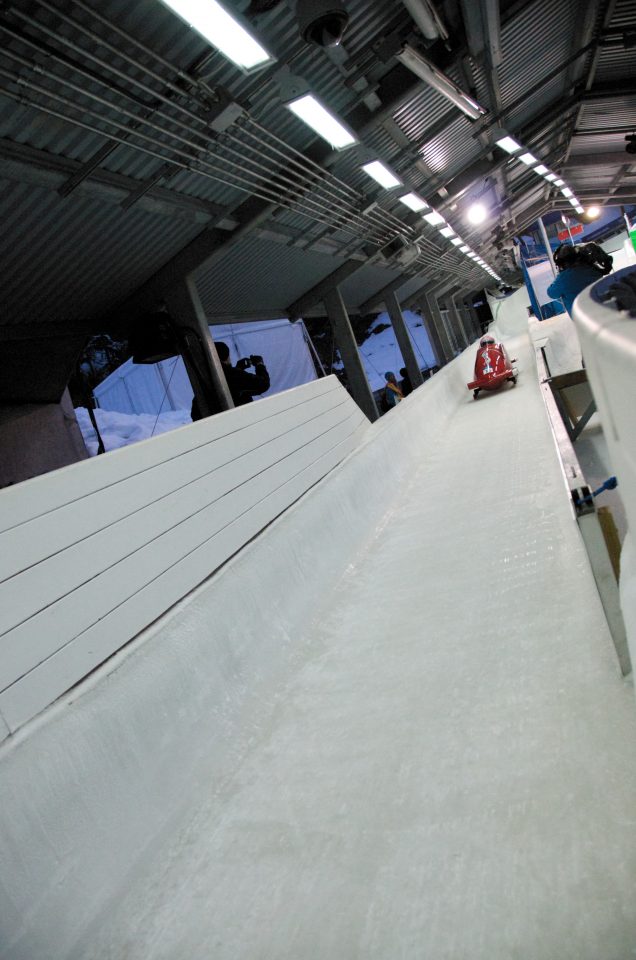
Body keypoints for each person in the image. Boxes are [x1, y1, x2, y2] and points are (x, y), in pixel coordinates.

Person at [191, 341, 270, 421]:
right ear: (226, 357)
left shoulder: (205, 379)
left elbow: (195, 414)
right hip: (241, 422)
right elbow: (264, 384)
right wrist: (260, 364)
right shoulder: (232, 375)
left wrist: (238, 369)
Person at [547, 242, 613, 317]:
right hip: (605, 310)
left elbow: (551, 293)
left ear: (562, 262)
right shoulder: (592, 268)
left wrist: (559, 276)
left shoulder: (563, 278)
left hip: (584, 318)